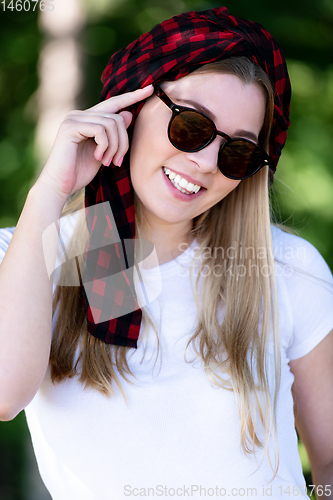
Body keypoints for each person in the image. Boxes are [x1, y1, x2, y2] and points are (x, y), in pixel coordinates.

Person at [0, 6, 332, 500]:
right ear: (127, 108)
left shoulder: (286, 270)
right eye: (192, 126)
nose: (204, 162)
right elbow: (6, 393)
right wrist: (50, 191)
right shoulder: (27, 256)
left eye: (238, 151)